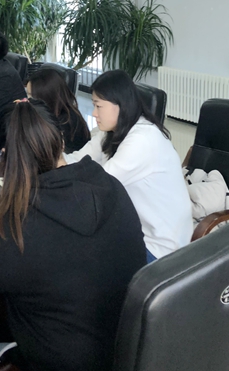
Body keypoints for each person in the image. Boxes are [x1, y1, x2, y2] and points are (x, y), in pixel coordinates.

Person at [0, 101, 146, 371]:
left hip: (55, 361)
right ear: (61, 141)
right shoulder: (110, 186)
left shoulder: (16, 224)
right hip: (122, 355)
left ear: (5, 154)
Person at [67, 70, 190, 261]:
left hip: (160, 247)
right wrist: (50, 162)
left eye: (98, 106)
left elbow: (100, 186)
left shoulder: (142, 140)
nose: (94, 113)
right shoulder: (114, 129)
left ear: (120, 105)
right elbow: (79, 159)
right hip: (131, 228)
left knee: (77, 253)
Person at [0, 64, 91, 153]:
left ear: (46, 97)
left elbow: (35, 150)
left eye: (31, 96)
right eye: (28, 95)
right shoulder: (55, 112)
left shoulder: (65, 122)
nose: (27, 100)